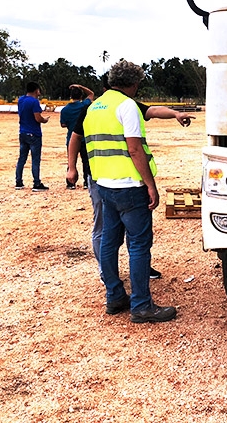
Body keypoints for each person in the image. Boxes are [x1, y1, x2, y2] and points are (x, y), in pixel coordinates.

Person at [67, 61, 194, 323]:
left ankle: (114, 296)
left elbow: (79, 138)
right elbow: (134, 149)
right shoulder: (127, 106)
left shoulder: (94, 108)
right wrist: (150, 184)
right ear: (134, 83)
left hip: (104, 185)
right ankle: (141, 305)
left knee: (109, 243)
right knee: (138, 245)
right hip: (129, 187)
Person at [15, 81, 50, 191]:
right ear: (36, 90)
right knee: (35, 159)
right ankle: (36, 183)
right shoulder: (34, 102)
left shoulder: (21, 100)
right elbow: (37, 118)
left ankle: (18, 182)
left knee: (22, 158)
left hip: (23, 132)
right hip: (34, 133)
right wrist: (44, 120)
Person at [59, 84, 94, 189]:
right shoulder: (84, 106)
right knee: (86, 161)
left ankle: (70, 182)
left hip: (71, 138)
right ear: (81, 96)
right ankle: (87, 182)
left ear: (71, 96)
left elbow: (63, 124)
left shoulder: (65, 109)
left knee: (71, 161)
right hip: (84, 137)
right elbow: (91, 94)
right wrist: (81, 86)